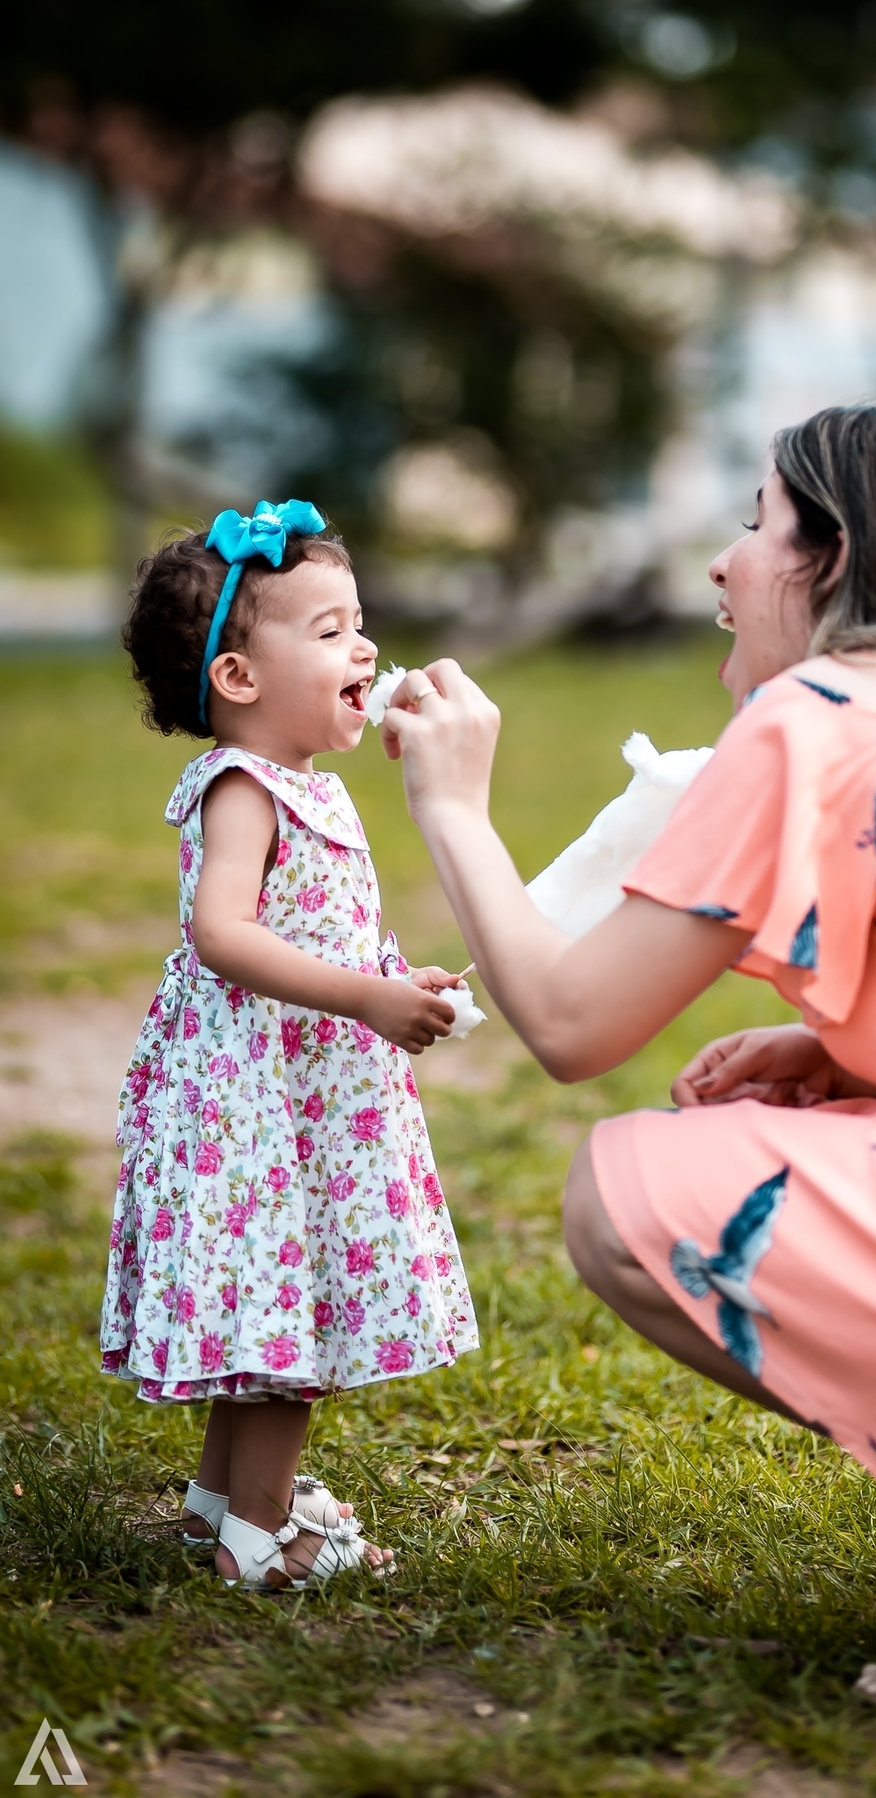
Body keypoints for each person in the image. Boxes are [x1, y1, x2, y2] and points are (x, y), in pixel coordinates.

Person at [379, 402, 876, 1708]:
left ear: (836, 555)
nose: (723, 562)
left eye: (756, 523)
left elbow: (571, 1022)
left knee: (628, 1192)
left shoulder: (826, 708)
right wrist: (844, 1048)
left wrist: (451, 802)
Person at [101, 501, 478, 1589]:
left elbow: (323, 931)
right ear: (239, 678)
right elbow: (220, 933)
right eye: (328, 631)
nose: (365, 647)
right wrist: (365, 999)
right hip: (258, 1104)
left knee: (271, 1300)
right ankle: (263, 1542)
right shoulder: (242, 790)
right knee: (281, 1308)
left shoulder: (310, 785)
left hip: (304, 1090)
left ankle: (222, 1500)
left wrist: (390, 980)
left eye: (360, 622)